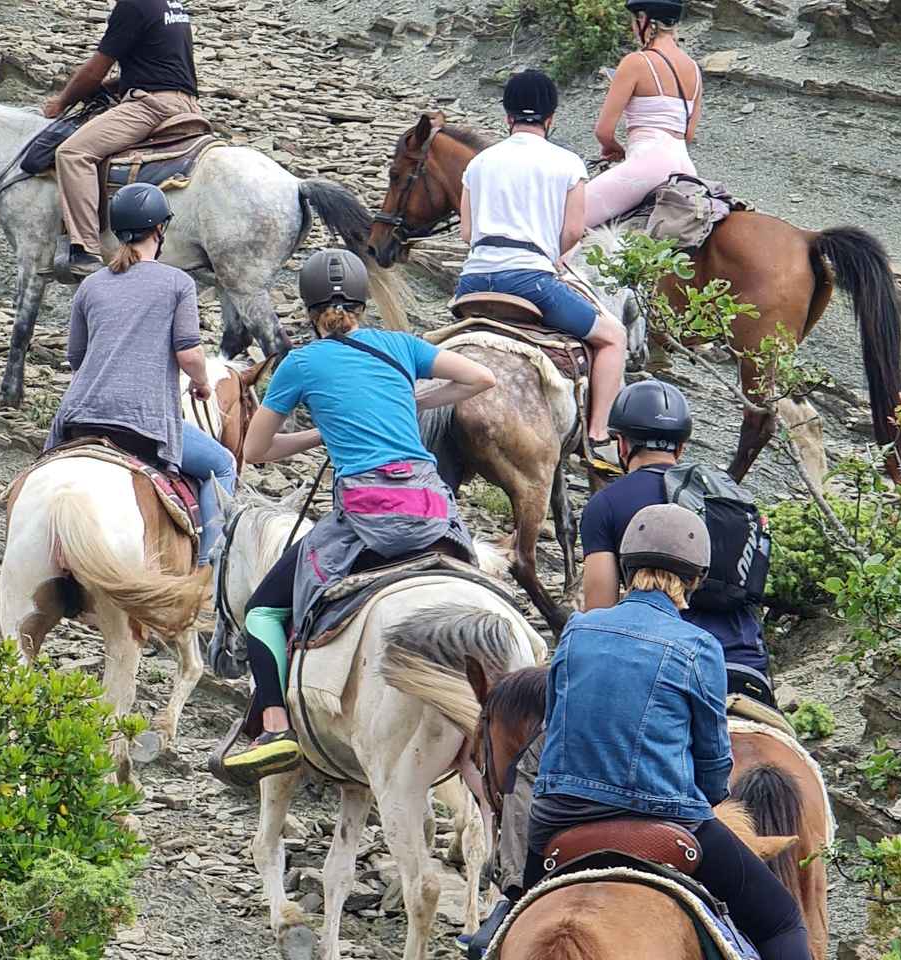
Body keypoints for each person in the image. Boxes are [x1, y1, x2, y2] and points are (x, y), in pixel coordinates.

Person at [221, 249, 498, 781]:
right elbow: (480, 379)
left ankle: (276, 726)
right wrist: (415, 399)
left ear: (308, 310)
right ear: (363, 305)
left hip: (367, 514)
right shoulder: (401, 347)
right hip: (431, 507)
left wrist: (317, 433)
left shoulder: (300, 363)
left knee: (261, 612)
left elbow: (256, 450)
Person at [528, 503, 811, 960]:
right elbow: (715, 769)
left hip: (559, 816)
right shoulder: (698, 646)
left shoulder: (577, 631)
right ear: (695, 579)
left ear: (626, 568)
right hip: (667, 815)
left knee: (507, 913)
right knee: (781, 921)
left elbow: (552, 727)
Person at [44, 183, 234, 566]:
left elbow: (77, 360)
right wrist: (201, 384)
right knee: (223, 464)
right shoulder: (178, 283)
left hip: (79, 415)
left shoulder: (91, 285)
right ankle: (209, 569)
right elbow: (190, 353)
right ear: (159, 229)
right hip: (141, 419)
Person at [456, 69, 626, 471]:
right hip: (531, 281)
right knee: (614, 338)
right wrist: (553, 256)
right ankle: (598, 436)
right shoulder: (567, 163)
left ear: (507, 116)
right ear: (551, 118)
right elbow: (571, 231)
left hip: (473, 281)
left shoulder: (479, 163)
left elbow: (467, 232)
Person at [579, 379, 775, 704]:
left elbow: (598, 611)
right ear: (681, 448)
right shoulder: (727, 494)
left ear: (622, 444)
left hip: (663, 664)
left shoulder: (606, 505)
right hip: (745, 664)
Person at [41, 0, 200, 278]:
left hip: (151, 106)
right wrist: (112, 87)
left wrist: (61, 102)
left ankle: (85, 250)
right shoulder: (172, 6)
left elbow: (95, 69)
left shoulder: (132, 5)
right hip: (188, 104)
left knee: (73, 153)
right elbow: (160, 65)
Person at [583, 0, 703, 228]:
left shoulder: (636, 62)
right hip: (686, 170)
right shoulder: (694, 69)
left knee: (567, 216)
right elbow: (687, 135)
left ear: (643, 20)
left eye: (634, 21)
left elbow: (603, 131)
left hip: (649, 164)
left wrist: (615, 149)